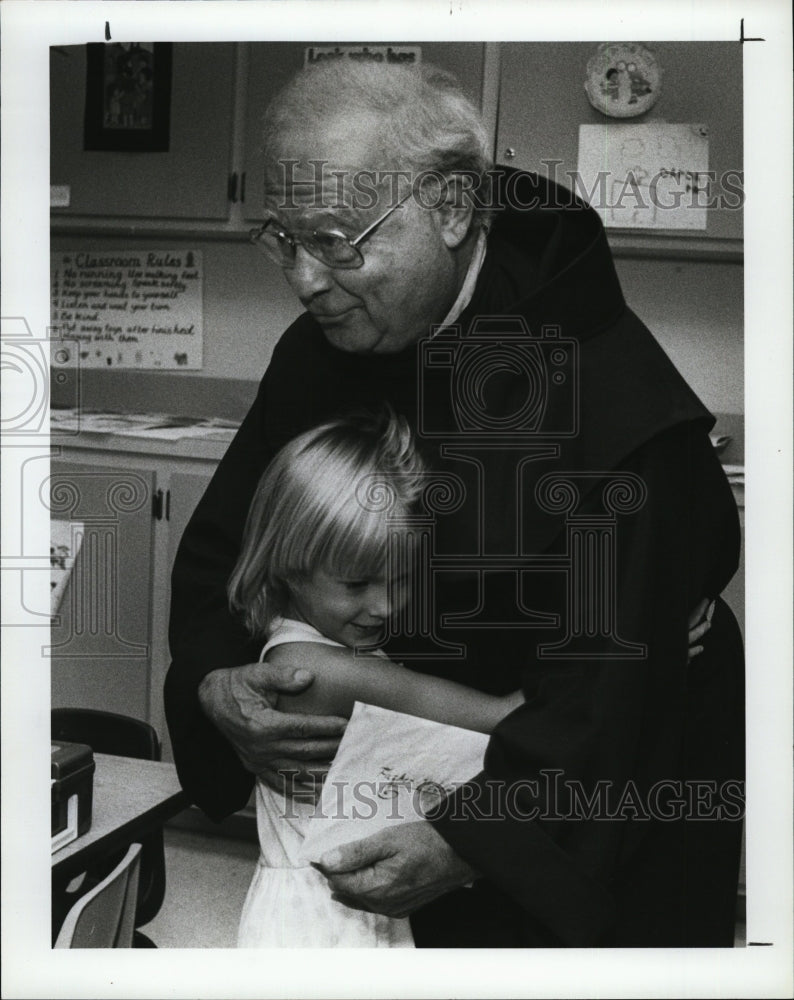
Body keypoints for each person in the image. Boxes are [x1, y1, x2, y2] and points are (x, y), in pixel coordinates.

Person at [166, 58, 744, 947]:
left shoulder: (603, 393)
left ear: (448, 209)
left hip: (582, 819)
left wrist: (479, 843)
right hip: (385, 799)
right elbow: (229, 549)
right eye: (284, 240)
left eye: (336, 240)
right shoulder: (320, 350)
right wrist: (212, 679)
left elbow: (616, 689)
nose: (307, 281)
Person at [230, 408, 526, 947]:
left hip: (342, 904)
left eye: (402, 578)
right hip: (322, 924)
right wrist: (633, 644)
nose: (387, 605)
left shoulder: (313, 638)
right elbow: (504, 717)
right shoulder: (316, 672)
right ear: (287, 565)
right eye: (358, 582)